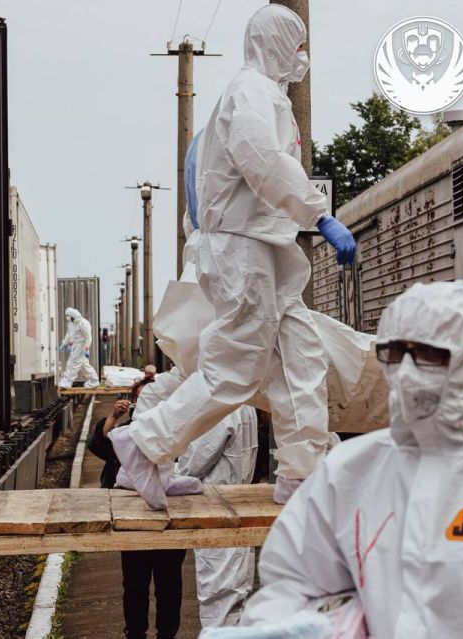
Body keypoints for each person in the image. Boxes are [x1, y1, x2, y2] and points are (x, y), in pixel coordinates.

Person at [110, 5, 357, 509]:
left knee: (301, 359)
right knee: (236, 368)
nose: (302, 56)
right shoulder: (251, 91)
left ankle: (301, 472)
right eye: (297, 44)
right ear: (277, 44)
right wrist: (318, 214)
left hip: (263, 247)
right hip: (243, 250)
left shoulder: (266, 95)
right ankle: (144, 444)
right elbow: (261, 160)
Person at [241, 280, 463, 637]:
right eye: (395, 352)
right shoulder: (350, 472)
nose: (408, 371)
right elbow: (292, 580)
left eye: (429, 354)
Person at [87, 388, 185, 639]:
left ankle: (167, 634)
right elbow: (99, 444)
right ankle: (135, 633)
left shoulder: (176, 433)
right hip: (131, 520)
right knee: (134, 584)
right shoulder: (127, 432)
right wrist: (113, 416)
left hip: (169, 520)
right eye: (140, 398)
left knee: (169, 584)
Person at [176, 405, 258, 628]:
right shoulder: (245, 403)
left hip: (216, 508)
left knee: (218, 596)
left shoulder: (221, 406)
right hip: (237, 504)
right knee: (237, 594)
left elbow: (193, 464)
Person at [58, 307, 100, 389]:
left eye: (68, 316)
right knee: (84, 365)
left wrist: (87, 348)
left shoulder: (83, 323)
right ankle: (93, 380)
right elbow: (69, 335)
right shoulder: (71, 323)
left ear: (72, 315)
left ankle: (67, 382)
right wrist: (64, 343)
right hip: (75, 346)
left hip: (81, 346)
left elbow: (88, 337)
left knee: (73, 363)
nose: (67, 318)